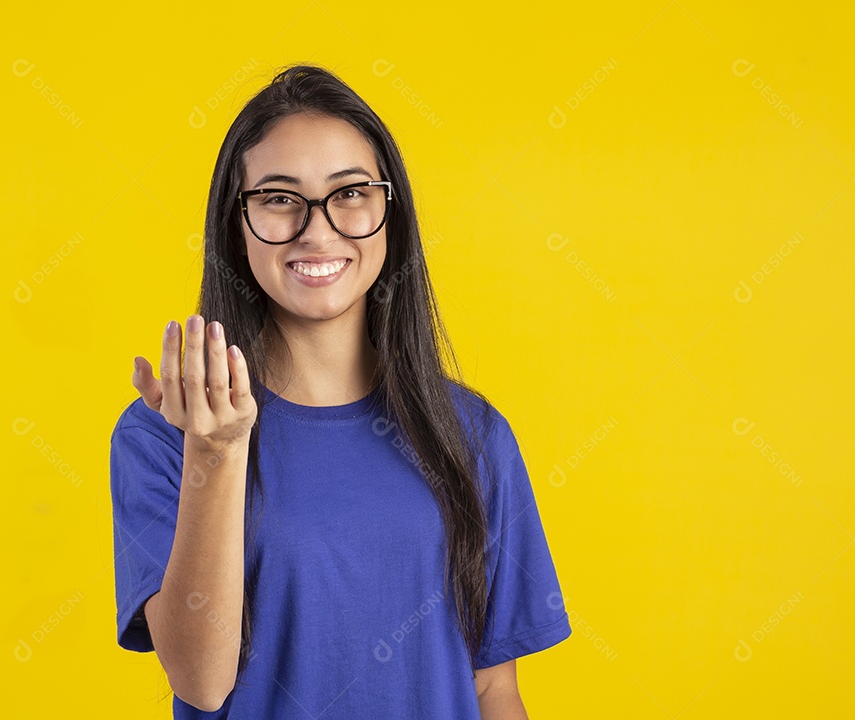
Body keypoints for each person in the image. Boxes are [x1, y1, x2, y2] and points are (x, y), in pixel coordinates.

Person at [110, 63, 571, 719]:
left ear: (391, 212)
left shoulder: (471, 434)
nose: (318, 229)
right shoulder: (164, 433)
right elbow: (201, 681)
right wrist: (214, 452)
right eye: (278, 198)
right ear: (236, 227)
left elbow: (494, 689)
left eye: (351, 193)